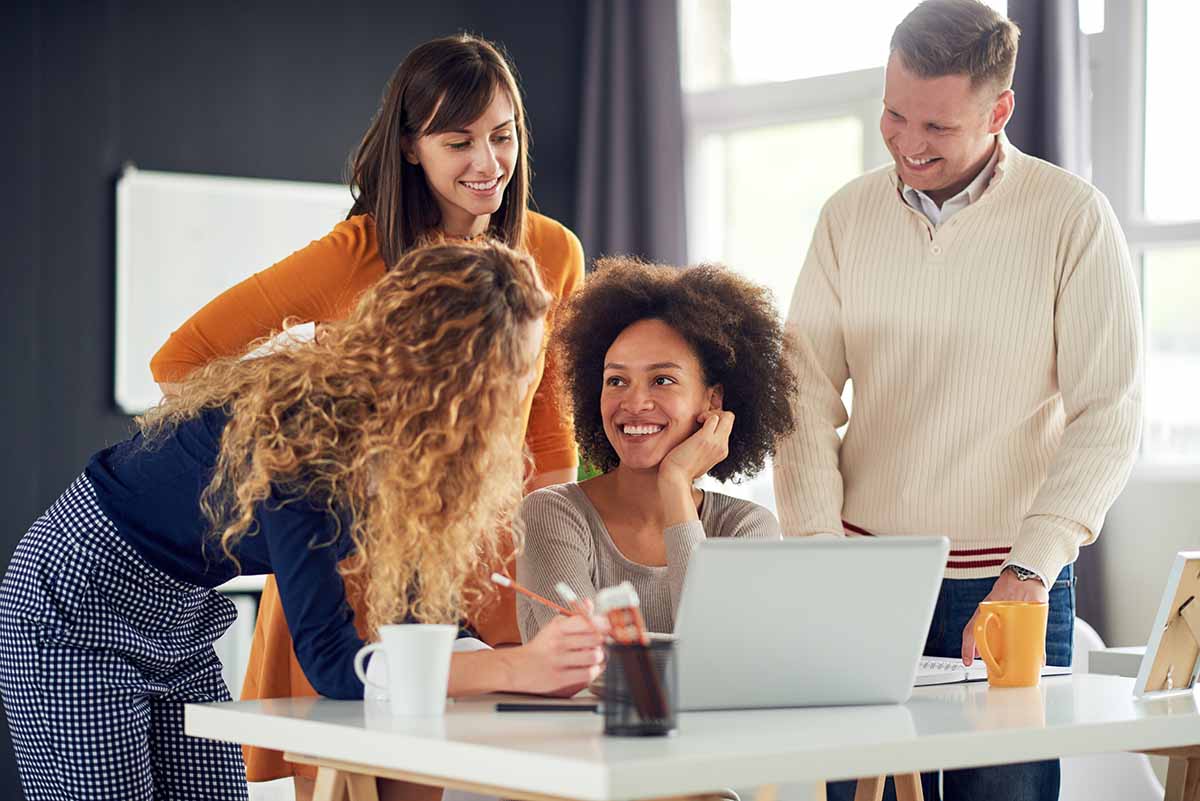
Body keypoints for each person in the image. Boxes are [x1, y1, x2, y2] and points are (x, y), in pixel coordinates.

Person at [0, 242, 606, 801]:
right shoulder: (305, 440)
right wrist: (513, 666)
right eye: (522, 365)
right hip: (70, 606)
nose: (533, 384)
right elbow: (335, 666)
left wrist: (524, 666)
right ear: (457, 375)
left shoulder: (401, 447)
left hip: (174, 616)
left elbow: (419, 620)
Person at [146, 34, 586, 792]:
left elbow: (549, 438)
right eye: (459, 142)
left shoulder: (552, 252)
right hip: (355, 568)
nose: (488, 163)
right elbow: (181, 360)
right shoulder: (357, 255)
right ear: (413, 147)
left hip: (486, 572)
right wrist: (299, 423)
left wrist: (554, 565)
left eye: (503, 135)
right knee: (367, 778)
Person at [774, 2, 1142, 799]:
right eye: (893, 113)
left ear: (999, 109)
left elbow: (1107, 415)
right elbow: (799, 392)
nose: (907, 143)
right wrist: (817, 550)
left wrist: (1032, 568)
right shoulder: (847, 216)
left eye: (937, 127)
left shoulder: (1072, 218)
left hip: (1011, 580)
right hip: (865, 576)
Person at [516, 258, 796, 638]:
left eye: (662, 380)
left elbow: (722, 652)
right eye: (616, 380)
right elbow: (584, 657)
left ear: (713, 400)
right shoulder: (552, 514)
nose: (633, 403)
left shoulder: (747, 528)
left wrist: (675, 485)